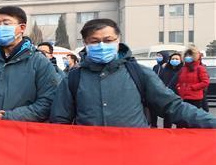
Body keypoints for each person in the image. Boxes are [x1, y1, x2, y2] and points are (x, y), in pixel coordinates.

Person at [50, 19, 216, 128]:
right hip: (89, 154)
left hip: (133, 152)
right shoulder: (74, 78)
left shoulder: (138, 73)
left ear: (118, 40)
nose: (102, 45)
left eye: (108, 40)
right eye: (95, 41)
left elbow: (172, 106)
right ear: (86, 43)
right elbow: (60, 121)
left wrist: (211, 122)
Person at [0, 6, 60, 121]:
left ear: (22, 27)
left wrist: (9, 117)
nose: (0, 28)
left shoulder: (39, 62)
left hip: (23, 132)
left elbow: (48, 100)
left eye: (6, 23)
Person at [174, 47, 210, 126]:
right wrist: (178, 87)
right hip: (183, 97)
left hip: (195, 98)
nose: (188, 57)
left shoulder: (200, 68)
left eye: (190, 55)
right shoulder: (183, 69)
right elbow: (179, 81)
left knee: (193, 118)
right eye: (186, 55)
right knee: (182, 117)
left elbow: (205, 82)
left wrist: (193, 87)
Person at [156, 52, 183, 128]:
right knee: (168, 115)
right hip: (167, 96)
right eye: (173, 59)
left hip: (179, 96)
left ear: (181, 60)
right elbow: (160, 81)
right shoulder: (165, 70)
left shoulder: (182, 70)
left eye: (177, 59)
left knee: (179, 114)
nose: (174, 60)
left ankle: (179, 131)